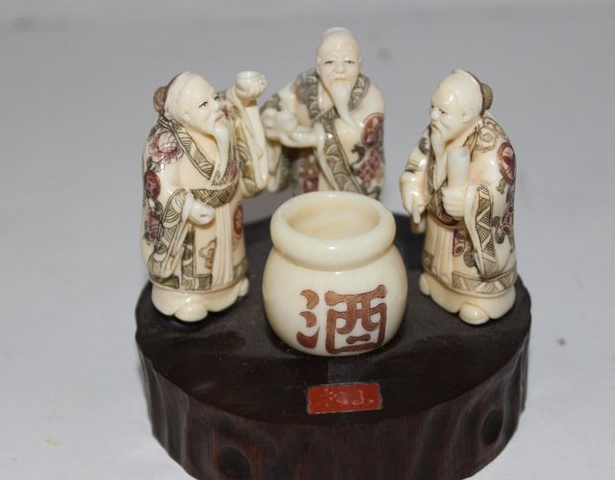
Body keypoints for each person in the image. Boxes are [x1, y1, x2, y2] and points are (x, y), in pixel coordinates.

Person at [140, 71, 268, 321]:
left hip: (227, 208)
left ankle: (230, 287)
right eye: (204, 104)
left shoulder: (220, 116)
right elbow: (157, 183)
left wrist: (243, 96)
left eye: (214, 98)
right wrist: (187, 206)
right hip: (193, 221)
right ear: (186, 114)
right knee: (197, 260)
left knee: (229, 254)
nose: (216, 106)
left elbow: (232, 102)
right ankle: (184, 298)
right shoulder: (164, 140)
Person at [400, 70, 517, 325]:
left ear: (466, 115)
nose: (433, 115)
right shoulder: (436, 129)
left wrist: (468, 200)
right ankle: (437, 284)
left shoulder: (493, 146)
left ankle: (480, 301)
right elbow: (418, 163)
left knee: (466, 267)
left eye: (442, 111)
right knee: (435, 266)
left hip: (466, 232)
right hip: (438, 224)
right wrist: (413, 189)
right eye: (433, 107)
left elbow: (498, 190)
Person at [261, 27, 385, 198]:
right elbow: (278, 102)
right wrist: (274, 119)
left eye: (349, 62)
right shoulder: (305, 84)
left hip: (353, 180)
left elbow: (363, 130)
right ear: (318, 66)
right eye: (330, 62)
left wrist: (315, 137)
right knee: (306, 209)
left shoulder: (370, 93)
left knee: (351, 212)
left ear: (360, 63)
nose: (340, 69)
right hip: (308, 171)